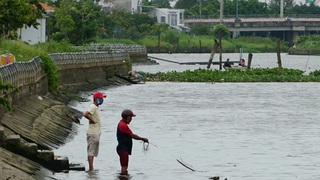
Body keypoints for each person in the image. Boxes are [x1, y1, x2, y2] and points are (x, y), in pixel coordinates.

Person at [116, 109, 149, 175]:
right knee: (124, 167)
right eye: (130, 117)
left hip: (123, 148)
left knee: (125, 166)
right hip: (122, 149)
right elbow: (132, 135)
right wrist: (143, 139)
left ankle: (123, 177)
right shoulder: (123, 125)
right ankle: (123, 177)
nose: (131, 119)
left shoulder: (122, 124)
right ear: (126, 117)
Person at [83, 91, 106, 171]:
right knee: (91, 151)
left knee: (93, 151)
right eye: (100, 99)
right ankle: (91, 168)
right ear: (96, 99)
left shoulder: (96, 107)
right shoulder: (93, 106)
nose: (102, 100)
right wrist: (92, 120)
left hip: (96, 132)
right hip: (93, 133)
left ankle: (91, 167)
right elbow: (85, 114)